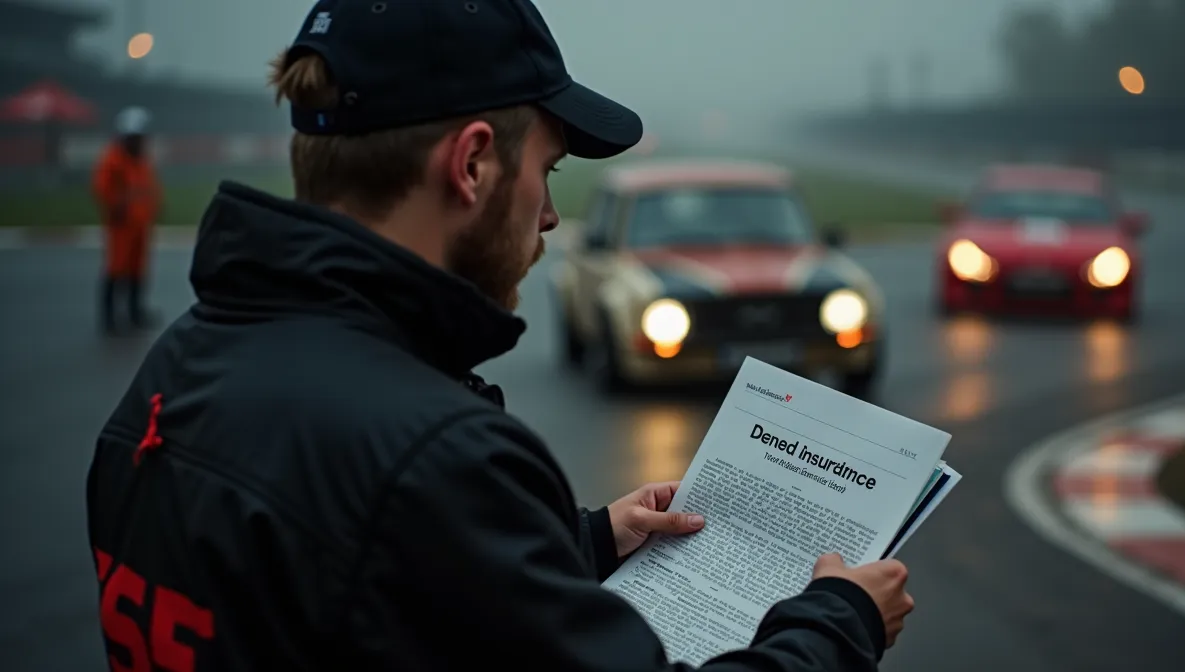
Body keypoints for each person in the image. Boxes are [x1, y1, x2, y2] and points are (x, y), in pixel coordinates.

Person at [84, 0, 915, 670]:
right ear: (473, 164)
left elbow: (364, 595)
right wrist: (837, 625)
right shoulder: (434, 458)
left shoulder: (177, 367)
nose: (549, 215)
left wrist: (580, 544)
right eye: (546, 172)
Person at [91, 105, 161, 334]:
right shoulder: (112, 159)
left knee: (138, 270)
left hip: (140, 224)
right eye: (136, 137)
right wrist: (116, 207)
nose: (140, 141)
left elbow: (150, 187)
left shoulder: (141, 159)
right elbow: (102, 188)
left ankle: (135, 313)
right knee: (116, 269)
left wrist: (155, 207)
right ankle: (109, 319)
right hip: (122, 226)